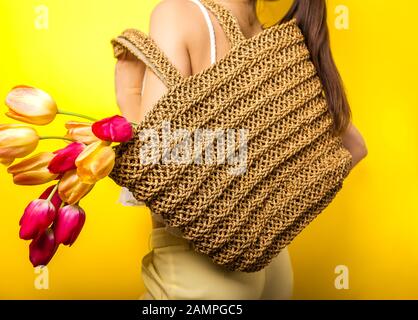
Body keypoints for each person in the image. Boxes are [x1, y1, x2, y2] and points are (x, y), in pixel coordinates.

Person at [114, 0, 368, 300]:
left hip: (199, 273)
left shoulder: (178, 13)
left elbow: (157, 166)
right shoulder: (274, 40)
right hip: (272, 264)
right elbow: (355, 146)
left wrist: (128, 97)